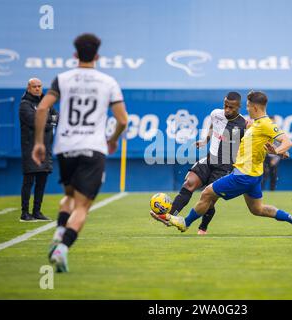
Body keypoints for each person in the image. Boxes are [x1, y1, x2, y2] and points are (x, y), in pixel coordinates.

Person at [32, 33, 128, 272]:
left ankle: (58, 232)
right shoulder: (108, 82)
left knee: (70, 197)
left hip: (65, 147)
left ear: (75, 55)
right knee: (82, 207)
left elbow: (42, 107)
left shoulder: (62, 79)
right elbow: (123, 120)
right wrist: (113, 139)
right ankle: (62, 247)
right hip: (93, 148)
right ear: (97, 56)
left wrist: (38, 143)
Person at [160, 91, 292, 236]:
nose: (246, 109)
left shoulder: (265, 124)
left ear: (255, 107)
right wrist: (276, 151)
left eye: (247, 105)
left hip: (243, 175)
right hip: (254, 176)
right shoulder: (257, 125)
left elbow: (287, 142)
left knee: (206, 193)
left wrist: (279, 151)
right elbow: (268, 147)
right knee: (257, 209)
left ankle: (185, 223)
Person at [150, 92, 247, 235]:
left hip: (225, 166)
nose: (227, 110)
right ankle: (169, 215)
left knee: (208, 199)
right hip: (209, 159)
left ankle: (203, 227)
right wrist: (205, 140)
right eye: (225, 106)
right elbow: (213, 127)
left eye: (231, 107)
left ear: (239, 107)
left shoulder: (244, 125)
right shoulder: (216, 114)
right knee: (189, 183)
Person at [19, 78, 58, 222]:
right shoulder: (24, 105)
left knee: (42, 180)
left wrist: (48, 121)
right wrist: (49, 123)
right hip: (30, 148)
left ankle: (37, 211)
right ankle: (24, 212)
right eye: (34, 86)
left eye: (39, 86)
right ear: (28, 88)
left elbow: (55, 116)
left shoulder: (46, 103)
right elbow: (35, 122)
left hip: (46, 147)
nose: (37, 89)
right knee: (29, 180)